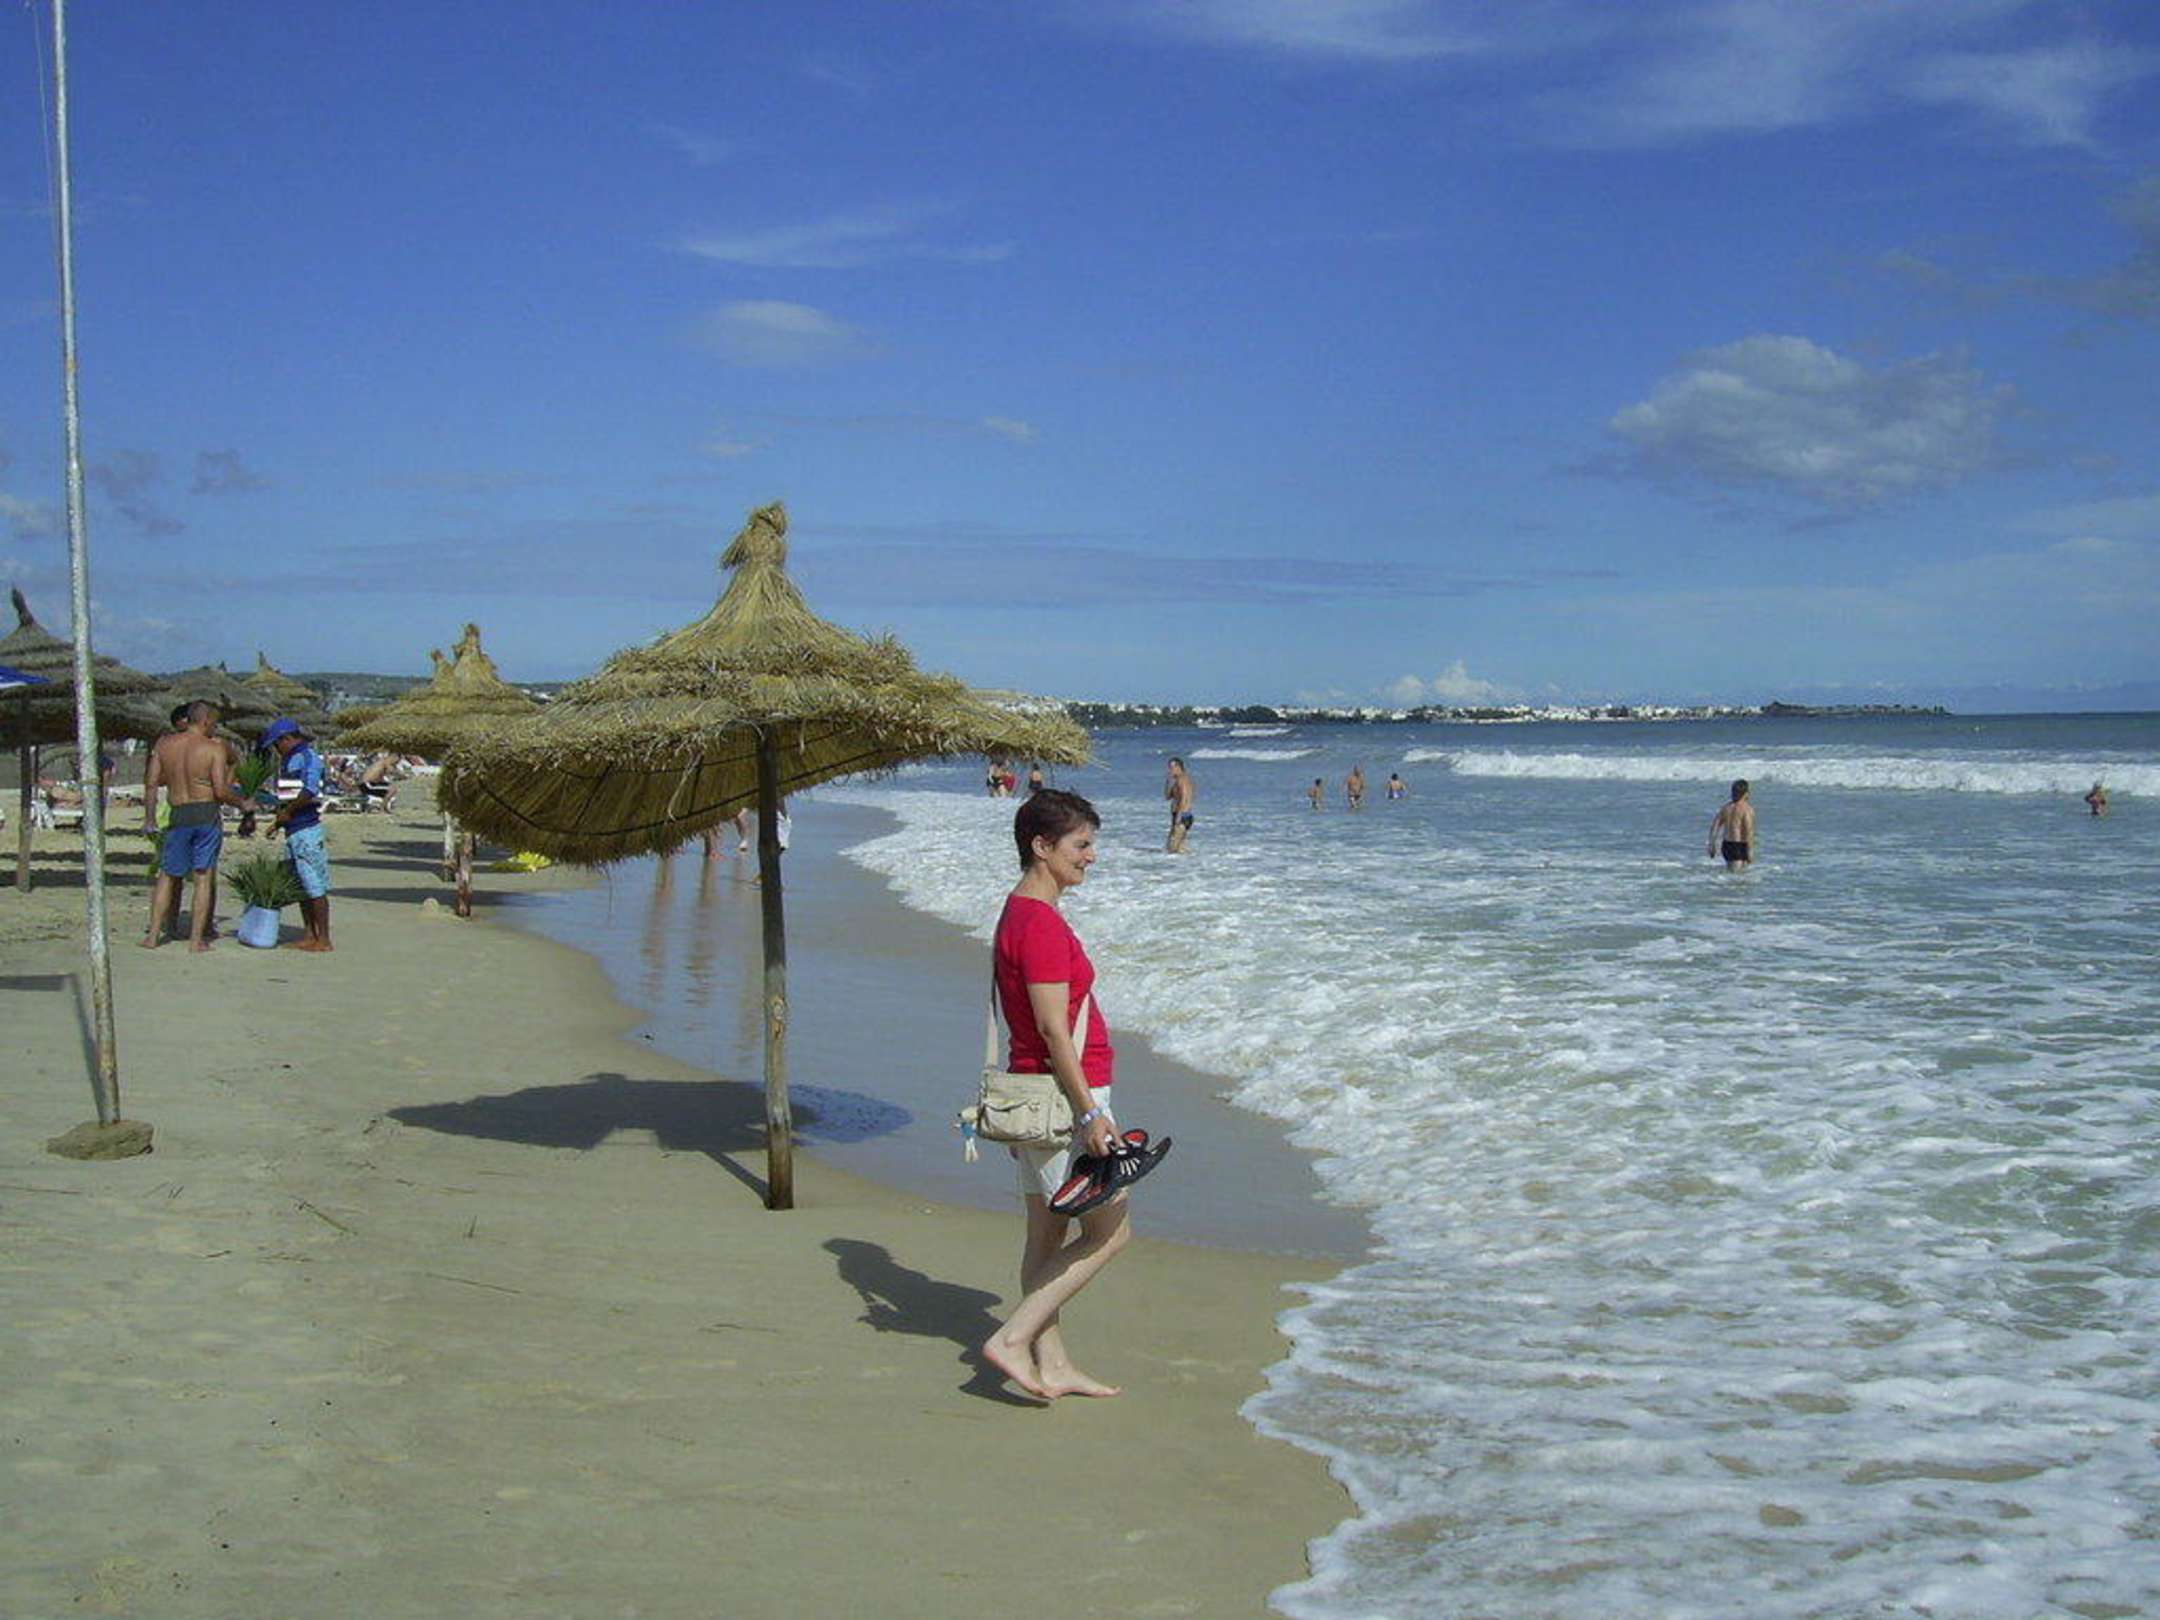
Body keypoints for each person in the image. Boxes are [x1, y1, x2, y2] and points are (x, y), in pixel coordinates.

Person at [980, 789, 1129, 1400]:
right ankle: (1013, 1339)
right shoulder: (1039, 923)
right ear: (1042, 846)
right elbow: (1051, 1028)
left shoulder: (1017, 911)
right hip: (1063, 1098)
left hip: (1034, 1090)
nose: (1091, 856)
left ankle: (1055, 1363)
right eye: (1081, 845)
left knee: (1045, 1235)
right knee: (1111, 1232)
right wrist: (1090, 1111)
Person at [140, 701, 250, 952]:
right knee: (203, 877)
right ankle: (196, 940)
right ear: (205, 721)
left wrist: (150, 818)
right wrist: (242, 802)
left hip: (178, 814)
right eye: (214, 723)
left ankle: (153, 936)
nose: (215, 728)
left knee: (167, 876)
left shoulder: (164, 745)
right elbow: (220, 791)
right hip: (205, 814)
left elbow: (151, 783)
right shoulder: (213, 748)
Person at [263, 718, 333, 951]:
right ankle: (309, 934)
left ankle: (323, 939)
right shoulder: (290, 760)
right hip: (293, 830)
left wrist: (288, 812)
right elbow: (289, 796)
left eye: (277, 744)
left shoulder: (308, 757)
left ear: (287, 739)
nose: (276, 749)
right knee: (302, 886)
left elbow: (310, 790)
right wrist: (278, 822)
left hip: (307, 831)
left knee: (315, 887)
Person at [1709, 778, 1756, 870]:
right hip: (1739, 846)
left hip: (1726, 845)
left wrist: (1712, 844)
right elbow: (1749, 831)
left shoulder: (1726, 808)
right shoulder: (1747, 810)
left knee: (1732, 872)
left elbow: (1715, 825)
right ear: (1746, 793)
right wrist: (1750, 850)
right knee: (1738, 875)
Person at [1164, 757, 1195, 853]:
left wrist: (1179, 815)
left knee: (1173, 849)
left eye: (1171, 767)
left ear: (1178, 767)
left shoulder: (1183, 780)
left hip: (1182, 816)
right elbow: (1167, 797)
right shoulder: (1176, 781)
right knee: (1177, 848)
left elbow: (1184, 798)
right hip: (1178, 815)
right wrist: (1168, 782)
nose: (1169, 770)